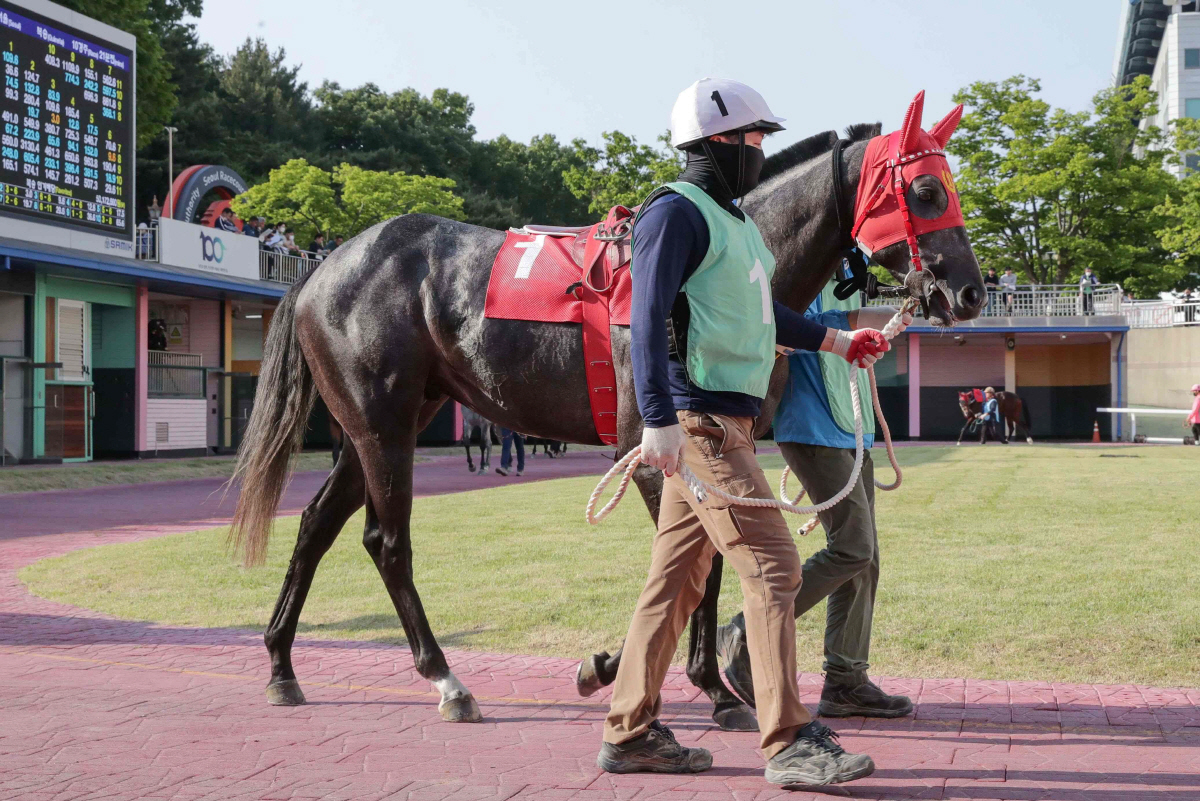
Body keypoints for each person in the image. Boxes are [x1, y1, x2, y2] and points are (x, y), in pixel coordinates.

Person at [597, 78, 886, 789]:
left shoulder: (736, 223)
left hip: (724, 423)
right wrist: (657, 419)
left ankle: (630, 731)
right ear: (718, 140)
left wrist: (838, 341)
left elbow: (764, 314)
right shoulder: (674, 211)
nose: (762, 149)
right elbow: (645, 317)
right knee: (774, 567)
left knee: (675, 583)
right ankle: (788, 741)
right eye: (756, 136)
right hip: (700, 424)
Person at [715, 263, 915, 726]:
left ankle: (846, 680)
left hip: (852, 427)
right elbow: (780, 325)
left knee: (865, 558)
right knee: (853, 549)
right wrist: (854, 322)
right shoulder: (793, 258)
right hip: (809, 426)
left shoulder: (848, 266)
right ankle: (744, 631)